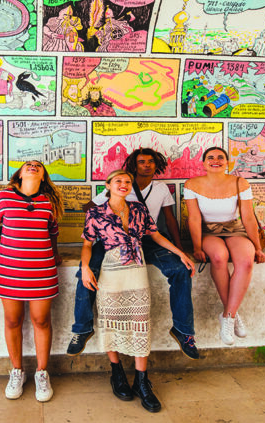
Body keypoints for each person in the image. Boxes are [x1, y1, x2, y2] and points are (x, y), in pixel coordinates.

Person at [68, 148, 198, 359]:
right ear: (134, 165)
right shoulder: (119, 184)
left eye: (150, 162)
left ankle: (183, 330)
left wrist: (180, 250)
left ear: (157, 165)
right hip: (112, 241)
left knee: (180, 269)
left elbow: (169, 219)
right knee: (87, 270)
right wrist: (105, 221)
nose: (146, 165)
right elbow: (90, 208)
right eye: (141, 162)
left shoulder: (160, 188)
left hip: (145, 238)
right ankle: (82, 328)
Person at [80, 170, 193, 413]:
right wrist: (85, 268)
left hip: (136, 268)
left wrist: (180, 253)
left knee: (140, 321)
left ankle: (142, 382)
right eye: (118, 181)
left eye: (127, 182)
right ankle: (117, 372)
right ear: (108, 185)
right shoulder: (95, 212)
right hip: (110, 270)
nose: (123, 184)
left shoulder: (139, 209)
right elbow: (88, 243)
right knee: (109, 320)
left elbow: (156, 235)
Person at [0, 161, 64, 402]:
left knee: (41, 320)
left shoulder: (48, 201)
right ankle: (17, 371)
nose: (32, 166)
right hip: (9, 270)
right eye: (28, 164)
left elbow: (52, 233)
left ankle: (42, 373)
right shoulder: (3, 198)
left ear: (43, 176)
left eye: (38, 166)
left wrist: (56, 253)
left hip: (42, 270)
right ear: (18, 174)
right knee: (12, 320)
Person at [183, 147, 265, 346]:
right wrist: (196, 247)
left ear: (227, 162)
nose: (216, 160)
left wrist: (257, 247)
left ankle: (228, 316)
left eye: (220, 157)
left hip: (234, 229)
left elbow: (247, 217)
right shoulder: (192, 184)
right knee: (219, 257)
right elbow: (194, 218)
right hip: (207, 231)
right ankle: (233, 315)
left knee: (246, 261)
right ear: (203, 163)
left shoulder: (240, 182)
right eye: (210, 157)